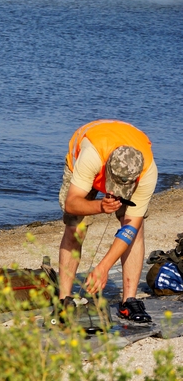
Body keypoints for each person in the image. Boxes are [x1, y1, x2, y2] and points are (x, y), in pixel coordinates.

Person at [58, 120, 157, 322]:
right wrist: (99, 207)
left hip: (125, 148)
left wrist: (103, 268)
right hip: (92, 149)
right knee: (76, 227)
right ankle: (63, 300)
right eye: (113, 186)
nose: (114, 193)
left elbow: (131, 227)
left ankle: (129, 300)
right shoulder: (90, 158)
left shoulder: (147, 172)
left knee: (135, 228)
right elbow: (71, 204)